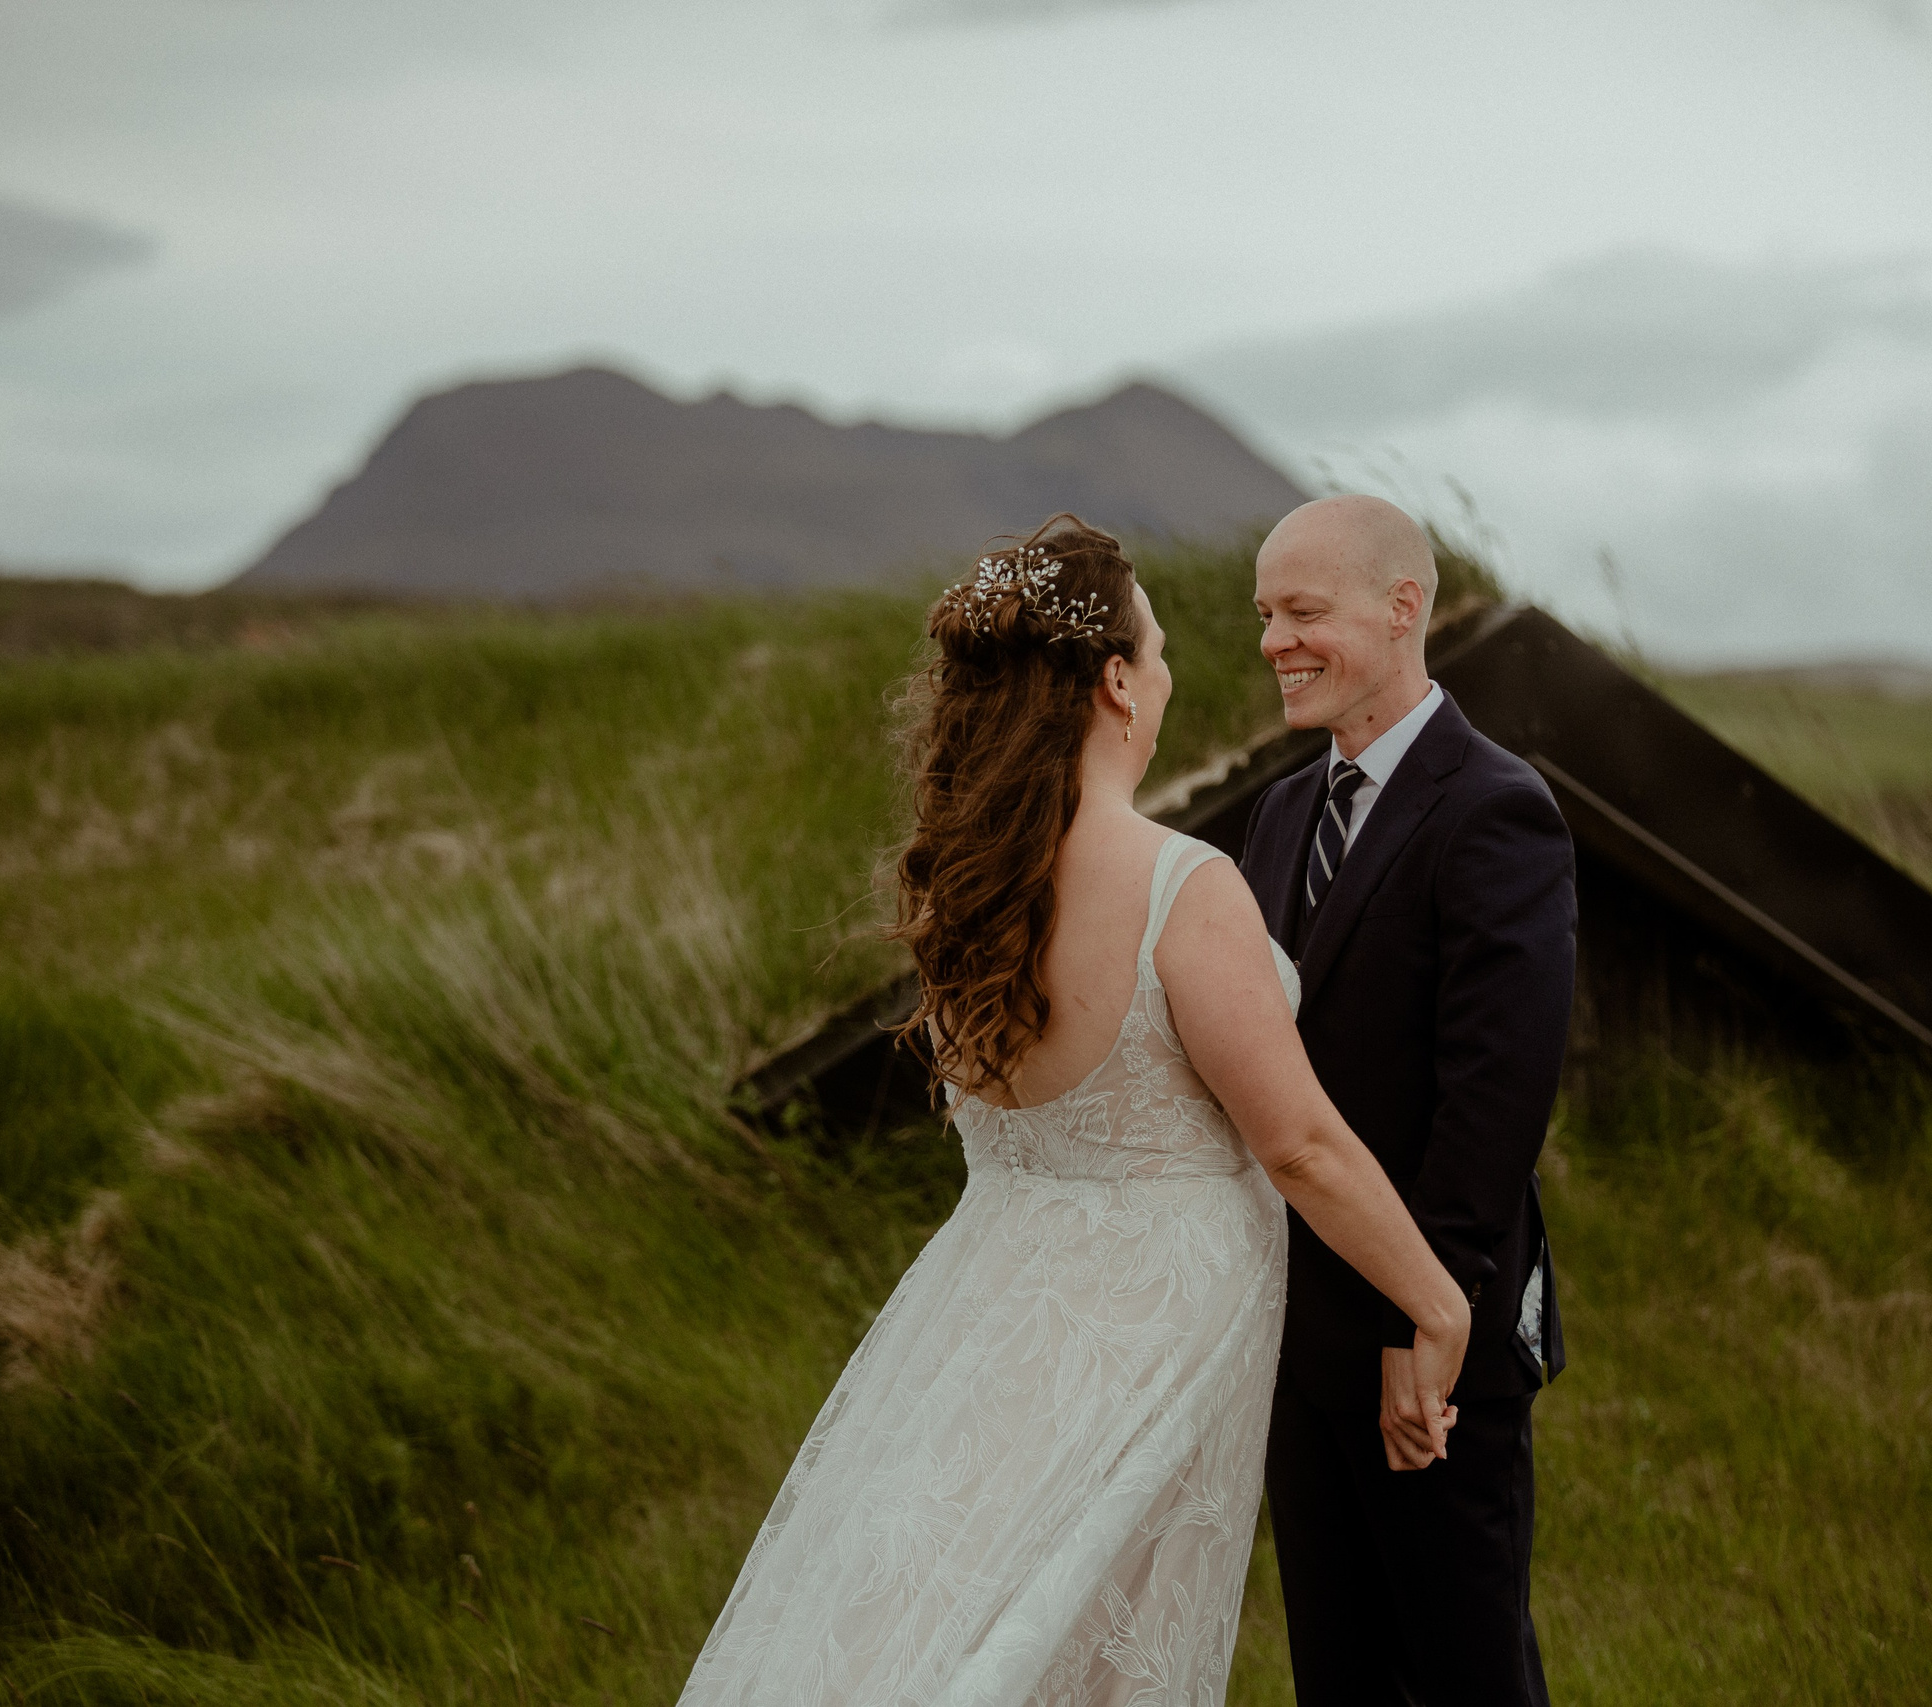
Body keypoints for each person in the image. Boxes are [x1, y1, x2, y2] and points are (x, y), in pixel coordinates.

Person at [675, 514, 1471, 1706]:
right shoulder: (1181, 884)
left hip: (985, 1308)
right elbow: (1300, 1145)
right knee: (1081, 1635)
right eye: (1158, 651)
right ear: (1114, 682)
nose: (1167, 675)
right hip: (1153, 1329)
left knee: (950, 1604)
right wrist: (1439, 1302)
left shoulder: (975, 881)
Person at [1242, 495, 1578, 1707]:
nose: (1274, 642)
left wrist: (1420, 1326)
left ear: (1401, 608)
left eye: (1302, 611)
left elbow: (1495, 1103)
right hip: (1295, 1342)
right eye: (1264, 615)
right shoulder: (1281, 815)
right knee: (1339, 1681)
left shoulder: (1496, 808)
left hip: (1431, 1344)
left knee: (1466, 1678)